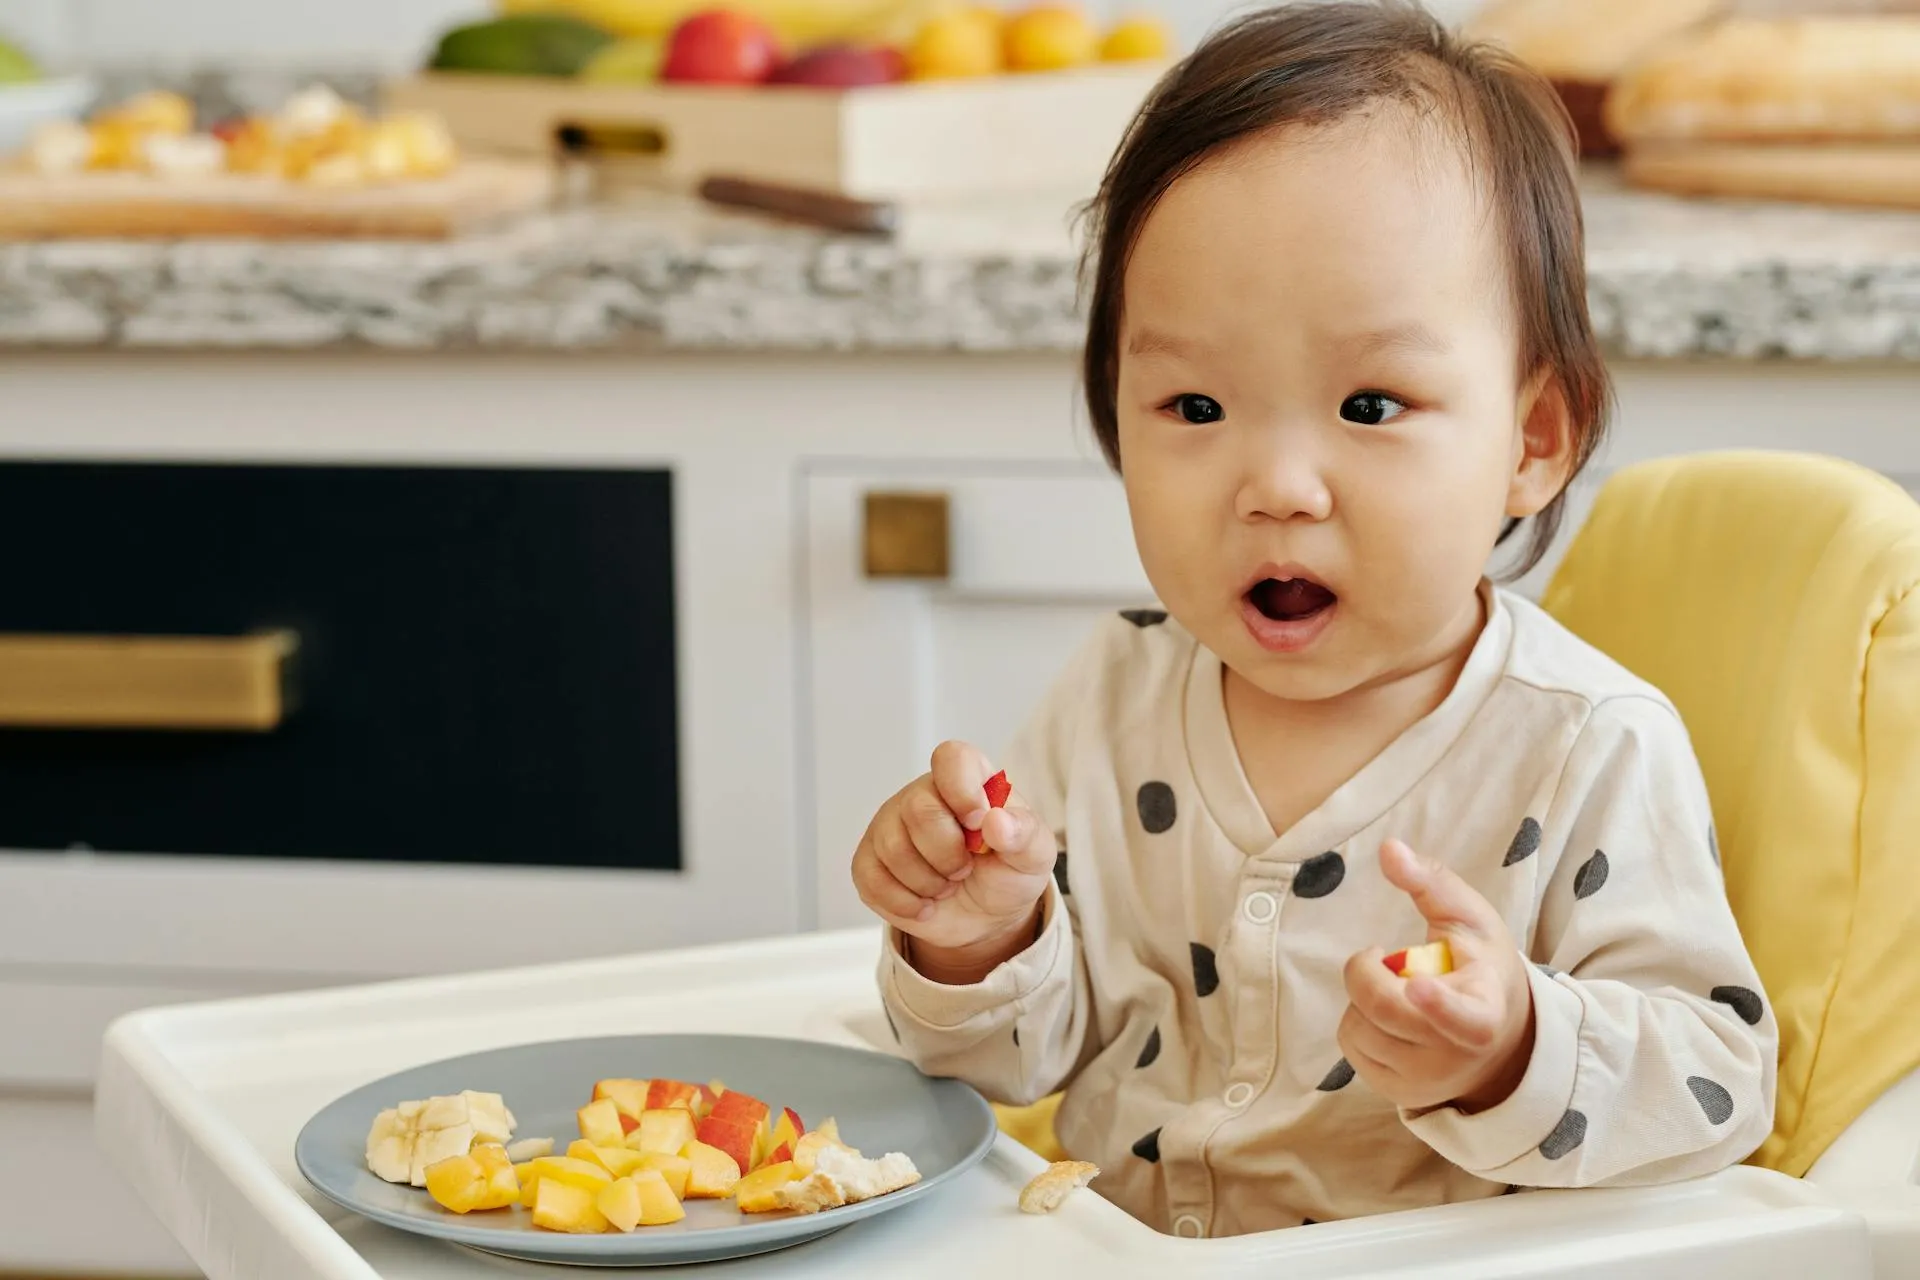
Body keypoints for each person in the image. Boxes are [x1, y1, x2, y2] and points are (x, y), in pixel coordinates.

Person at [850, 0, 1777, 1238]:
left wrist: (1512, 1048)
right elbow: (1019, 1065)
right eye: (1192, 404)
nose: (1276, 484)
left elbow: (1720, 1079)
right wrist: (976, 941)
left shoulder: (1586, 743)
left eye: (1371, 403)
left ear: (1532, 441)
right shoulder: (1113, 692)